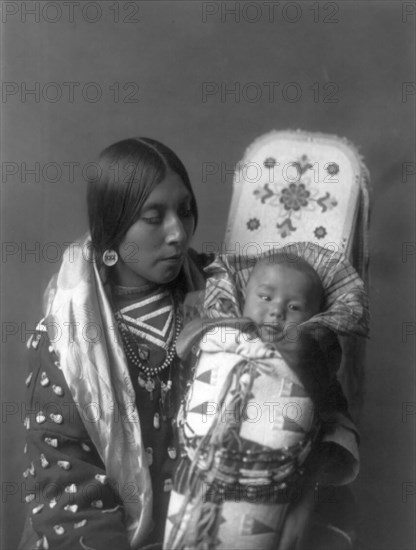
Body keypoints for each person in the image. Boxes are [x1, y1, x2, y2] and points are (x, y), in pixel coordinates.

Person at [19, 137, 213, 550]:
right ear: (114, 224)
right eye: (153, 217)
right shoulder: (65, 341)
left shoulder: (222, 294)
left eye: (185, 210)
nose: (178, 233)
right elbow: (67, 485)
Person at [164, 251, 363, 550]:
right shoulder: (216, 339)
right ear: (243, 297)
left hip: (269, 487)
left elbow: (332, 421)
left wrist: (305, 499)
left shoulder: (312, 364)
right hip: (196, 475)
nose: (276, 312)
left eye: (294, 307)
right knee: (183, 536)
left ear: (314, 318)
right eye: (265, 297)